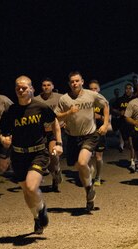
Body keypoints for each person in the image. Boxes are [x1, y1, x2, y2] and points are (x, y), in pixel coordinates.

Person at [0, 75, 63, 234]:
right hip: (18, 155)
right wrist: (4, 141)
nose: (21, 90)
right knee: (26, 191)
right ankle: (36, 218)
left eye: (24, 88)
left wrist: (59, 143)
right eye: (18, 88)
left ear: (32, 89)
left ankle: (41, 209)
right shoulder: (10, 111)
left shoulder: (40, 107)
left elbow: (54, 123)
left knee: (31, 186)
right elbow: (3, 133)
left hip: (38, 153)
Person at [56, 71, 109, 211]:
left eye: (77, 81)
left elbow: (106, 104)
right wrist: (68, 113)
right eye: (72, 81)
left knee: (82, 162)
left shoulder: (91, 95)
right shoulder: (64, 99)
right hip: (73, 137)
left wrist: (104, 124)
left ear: (82, 81)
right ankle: (89, 194)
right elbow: (57, 117)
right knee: (78, 167)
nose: (75, 83)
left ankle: (89, 183)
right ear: (69, 83)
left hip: (90, 135)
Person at [34, 77, 64, 192]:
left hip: (53, 131)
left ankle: (57, 170)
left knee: (53, 154)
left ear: (52, 86)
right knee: (47, 160)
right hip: (41, 132)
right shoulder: (36, 99)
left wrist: (64, 122)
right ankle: (55, 177)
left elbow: (66, 109)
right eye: (44, 85)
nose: (46, 87)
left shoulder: (60, 97)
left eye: (48, 85)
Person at [88, 80, 111, 186]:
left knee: (98, 156)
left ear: (99, 89)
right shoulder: (86, 101)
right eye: (91, 89)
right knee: (86, 156)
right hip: (87, 132)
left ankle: (98, 177)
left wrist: (100, 117)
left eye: (95, 88)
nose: (93, 90)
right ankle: (89, 173)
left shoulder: (103, 101)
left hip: (99, 132)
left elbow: (108, 118)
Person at [112, 83, 136, 171]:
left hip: (133, 124)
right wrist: (119, 112)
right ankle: (135, 155)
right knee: (127, 144)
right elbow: (113, 109)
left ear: (133, 90)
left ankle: (132, 163)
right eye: (127, 88)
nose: (128, 90)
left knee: (131, 143)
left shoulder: (136, 99)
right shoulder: (120, 100)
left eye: (130, 88)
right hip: (123, 124)